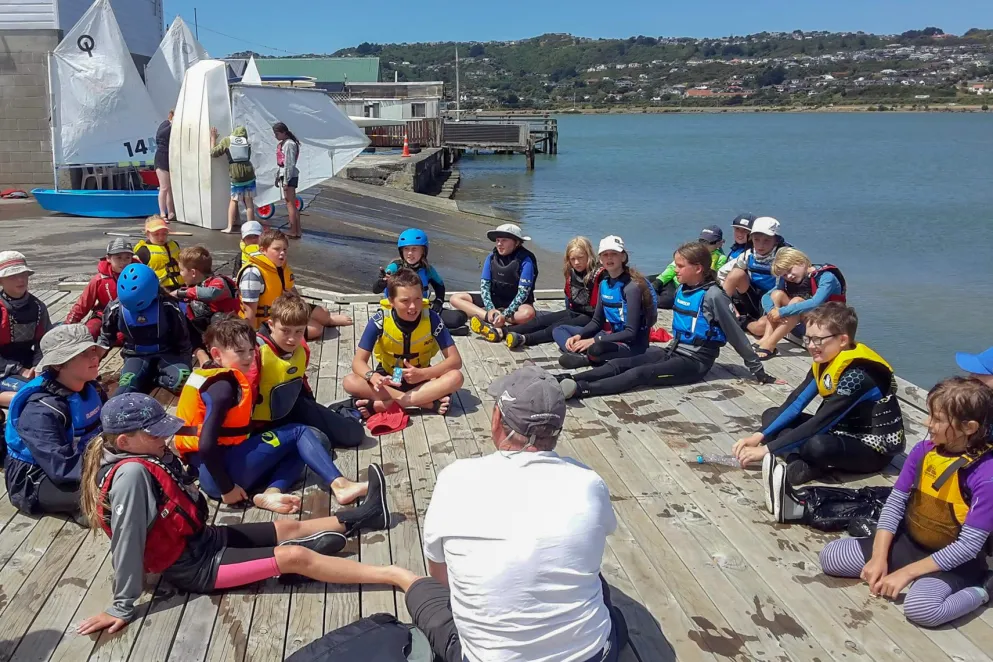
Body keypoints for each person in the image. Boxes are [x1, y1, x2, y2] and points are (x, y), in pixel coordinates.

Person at [76, 392, 403, 637]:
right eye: (155, 433)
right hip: (195, 568)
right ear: (124, 441)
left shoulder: (138, 453)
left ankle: (368, 515)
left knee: (288, 527)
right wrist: (121, 605)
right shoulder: (130, 476)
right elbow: (127, 540)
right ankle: (392, 575)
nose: (164, 438)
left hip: (203, 540)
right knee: (294, 556)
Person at [388, 366, 628, 662]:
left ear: (497, 419)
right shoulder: (588, 481)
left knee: (424, 592)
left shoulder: (455, 479)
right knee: (599, 589)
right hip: (593, 656)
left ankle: (402, 579)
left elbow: (442, 579)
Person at [816, 377, 993, 629]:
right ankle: (912, 574)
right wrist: (879, 558)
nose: (926, 423)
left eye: (937, 419)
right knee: (831, 557)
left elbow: (968, 547)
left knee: (921, 609)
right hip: (911, 543)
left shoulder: (986, 475)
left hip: (956, 561)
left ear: (969, 427)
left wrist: (906, 573)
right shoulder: (923, 451)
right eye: (929, 415)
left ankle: (983, 589)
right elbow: (894, 505)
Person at [176, 317, 370, 514]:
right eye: (240, 352)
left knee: (303, 446)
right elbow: (206, 445)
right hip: (223, 476)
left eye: (251, 350)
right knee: (300, 432)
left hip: (207, 470)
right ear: (217, 354)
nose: (248, 358)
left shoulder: (206, 374)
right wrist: (227, 488)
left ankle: (272, 492)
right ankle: (341, 485)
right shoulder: (223, 387)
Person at [558, 242, 776, 400]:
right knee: (620, 364)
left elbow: (737, 336)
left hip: (695, 362)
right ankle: (566, 379)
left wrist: (759, 371)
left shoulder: (714, 296)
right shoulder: (684, 289)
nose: (675, 270)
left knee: (639, 374)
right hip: (673, 350)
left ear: (698, 268)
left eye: (680, 266)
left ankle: (580, 390)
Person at [733, 302, 905, 489]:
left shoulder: (858, 376)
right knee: (771, 415)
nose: (811, 346)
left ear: (842, 340)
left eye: (818, 340)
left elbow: (821, 421)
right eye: (807, 339)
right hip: (836, 431)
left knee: (816, 446)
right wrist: (759, 435)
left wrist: (766, 449)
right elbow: (796, 402)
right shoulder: (826, 361)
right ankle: (796, 460)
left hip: (872, 448)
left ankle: (802, 461)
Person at [4, 324, 103, 518]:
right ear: (58, 364)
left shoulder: (89, 386)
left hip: (83, 457)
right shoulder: (40, 411)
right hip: (37, 475)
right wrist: (110, 469)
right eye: (82, 353)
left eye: (93, 350)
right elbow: (62, 468)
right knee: (112, 492)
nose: (94, 357)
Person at [250, 294, 365, 450]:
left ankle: (342, 410)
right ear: (271, 324)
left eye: (299, 331)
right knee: (318, 443)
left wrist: (314, 409)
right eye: (285, 331)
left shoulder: (301, 348)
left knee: (354, 435)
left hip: (293, 406)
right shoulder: (254, 352)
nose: (292, 339)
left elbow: (300, 380)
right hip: (259, 423)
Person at [344, 269, 464, 417]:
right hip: (390, 378)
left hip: (421, 378)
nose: (413, 307)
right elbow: (358, 362)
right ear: (391, 301)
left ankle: (387, 405)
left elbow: (455, 361)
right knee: (350, 381)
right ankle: (427, 402)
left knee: (456, 377)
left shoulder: (432, 319)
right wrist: (372, 376)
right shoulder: (379, 321)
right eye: (405, 301)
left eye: (418, 299)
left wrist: (422, 374)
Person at [553, 235, 658, 370]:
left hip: (631, 344)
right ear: (600, 259)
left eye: (614, 254)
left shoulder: (631, 287)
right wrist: (580, 335)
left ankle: (586, 357)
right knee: (560, 330)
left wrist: (593, 340)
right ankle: (582, 354)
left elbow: (631, 332)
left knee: (596, 348)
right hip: (611, 336)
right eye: (605, 255)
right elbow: (597, 321)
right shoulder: (604, 284)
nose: (609, 258)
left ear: (623, 257)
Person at [238, 228, 351, 338]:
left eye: (284, 250)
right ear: (263, 250)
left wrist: (300, 308)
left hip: (285, 309)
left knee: (324, 313)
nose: (282, 253)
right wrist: (253, 338)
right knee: (316, 329)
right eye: (277, 249)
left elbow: (292, 290)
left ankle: (329, 320)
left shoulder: (280, 267)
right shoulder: (253, 274)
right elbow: (249, 312)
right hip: (266, 322)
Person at [99, 264, 192, 396]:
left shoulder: (168, 305)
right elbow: (105, 339)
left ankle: (152, 379)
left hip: (165, 353)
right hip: (135, 355)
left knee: (183, 379)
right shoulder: (115, 308)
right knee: (125, 389)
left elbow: (182, 339)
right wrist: (92, 365)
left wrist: (186, 362)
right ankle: (144, 377)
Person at [505, 236, 605, 350]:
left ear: (589, 255)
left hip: (591, 317)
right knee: (541, 320)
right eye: (573, 259)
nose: (577, 263)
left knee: (555, 327)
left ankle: (523, 339)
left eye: (581, 258)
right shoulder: (571, 272)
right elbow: (568, 297)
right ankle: (503, 331)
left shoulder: (600, 275)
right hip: (574, 311)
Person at [751, 248, 847, 359]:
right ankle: (766, 338)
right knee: (777, 294)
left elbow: (815, 303)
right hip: (805, 321)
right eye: (785, 275)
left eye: (790, 270)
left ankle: (770, 345)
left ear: (801, 262)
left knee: (796, 301)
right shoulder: (788, 279)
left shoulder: (826, 277)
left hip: (826, 324)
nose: (789, 276)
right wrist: (772, 310)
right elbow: (767, 296)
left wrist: (781, 312)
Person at [449, 223, 537, 341]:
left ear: (516, 242)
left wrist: (505, 314)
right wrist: (490, 309)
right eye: (498, 240)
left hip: (517, 304)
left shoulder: (526, 260)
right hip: (495, 298)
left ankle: (495, 318)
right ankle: (490, 317)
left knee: (528, 314)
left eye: (504, 240)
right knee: (455, 298)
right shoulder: (491, 258)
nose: (499, 244)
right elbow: (484, 287)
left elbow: (523, 293)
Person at [372, 228, 468, 331]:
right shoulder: (394, 268)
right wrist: (382, 282)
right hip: (398, 310)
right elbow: (376, 290)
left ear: (423, 251)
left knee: (461, 317)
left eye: (414, 249)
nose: (409, 253)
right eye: (406, 249)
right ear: (401, 251)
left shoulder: (427, 269)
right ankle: (435, 328)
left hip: (420, 309)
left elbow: (440, 287)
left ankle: (431, 327)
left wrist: (438, 302)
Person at [0, 251, 53, 407]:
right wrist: (19, 369)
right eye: (12, 276)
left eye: (24, 274)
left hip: (26, 360)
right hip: (3, 366)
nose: (21, 280)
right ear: (1, 281)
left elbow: (43, 342)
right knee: (34, 394)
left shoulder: (38, 307)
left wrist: (38, 366)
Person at [176, 245, 241, 364]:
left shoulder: (218, 282)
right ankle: (201, 355)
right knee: (180, 318)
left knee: (219, 318)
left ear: (193, 272)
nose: (180, 274)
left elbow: (212, 293)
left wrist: (181, 293)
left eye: (182, 270)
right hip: (203, 337)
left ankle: (221, 357)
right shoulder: (193, 287)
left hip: (227, 337)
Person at [66, 239, 136, 343]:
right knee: (88, 332)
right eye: (118, 258)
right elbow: (83, 304)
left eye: (127, 258)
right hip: (103, 315)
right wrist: (67, 326)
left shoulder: (141, 276)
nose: (123, 262)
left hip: (131, 316)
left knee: (126, 336)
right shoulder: (99, 279)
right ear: (108, 258)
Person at [722, 216, 785, 331]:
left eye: (766, 240)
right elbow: (722, 273)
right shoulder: (748, 254)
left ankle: (741, 323)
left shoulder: (785, 255)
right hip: (752, 297)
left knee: (761, 328)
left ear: (775, 239)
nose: (761, 245)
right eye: (756, 240)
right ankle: (721, 312)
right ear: (751, 238)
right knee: (736, 273)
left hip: (773, 300)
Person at [653, 226, 728, 309]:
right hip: (671, 277)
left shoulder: (721, 258)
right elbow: (673, 267)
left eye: (708, 242)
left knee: (666, 301)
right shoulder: (693, 251)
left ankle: (648, 299)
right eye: (701, 241)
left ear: (719, 243)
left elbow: (714, 274)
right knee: (644, 281)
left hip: (680, 285)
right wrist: (659, 281)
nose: (704, 245)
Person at [210, 125, 257, 234]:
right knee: (249, 202)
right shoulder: (247, 142)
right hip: (249, 173)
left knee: (234, 200)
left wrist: (213, 139)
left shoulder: (227, 140)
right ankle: (252, 229)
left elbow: (213, 153)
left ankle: (230, 227)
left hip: (236, 174)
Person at [134, 215, 182, 291]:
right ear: (147, 234)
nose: (161, 238)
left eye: (164, 233)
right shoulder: (143, 251)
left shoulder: (174, 245)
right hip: (159, 290)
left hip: (180, 287)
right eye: (156, 234)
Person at [273, 122, 302, 239]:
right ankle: (297, 230)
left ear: (284, 132)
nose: (275, 136)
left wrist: (285, 181)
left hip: (289, 176)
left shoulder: (289, 144)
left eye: (277, 133)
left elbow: (289, 164)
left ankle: (293, 230)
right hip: (286, 175)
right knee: (291, 204)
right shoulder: (286, 143)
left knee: (290, 204)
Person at [154, 110, 175, 221]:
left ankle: (171, 211)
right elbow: (159, 136)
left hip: (171, 157)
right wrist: (172, 124)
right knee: (164, 187)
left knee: (170, 188)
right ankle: (162, 212)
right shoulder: (166, 124)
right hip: (162, 156)